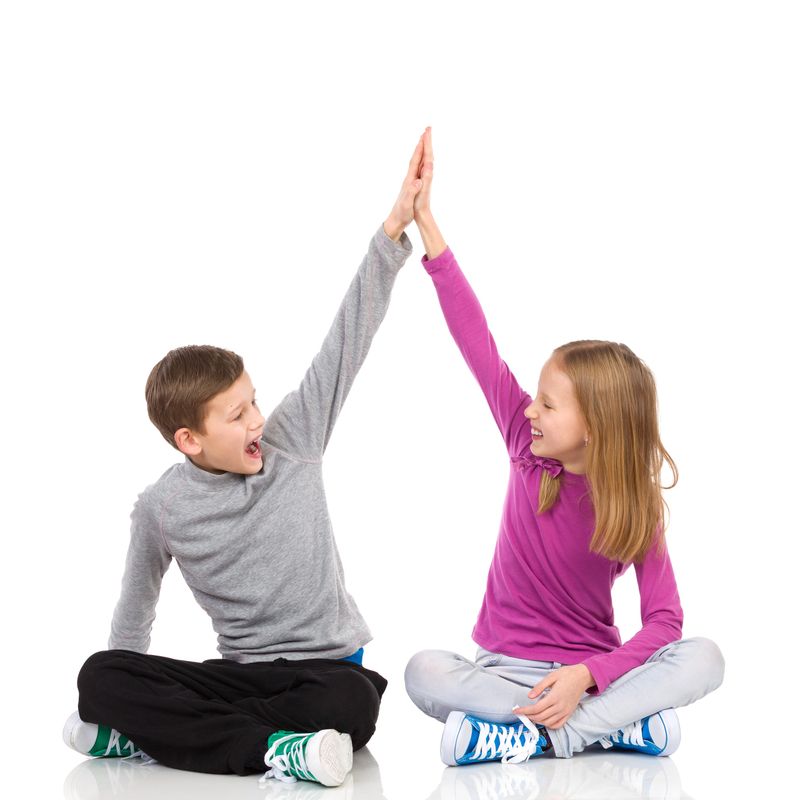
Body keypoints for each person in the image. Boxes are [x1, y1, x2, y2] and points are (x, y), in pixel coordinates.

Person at [62, 133, 429, 787]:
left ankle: (173, 740)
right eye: (237, 415)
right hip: (240, 677)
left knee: (349, 704)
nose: (258, 420)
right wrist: (121, 688)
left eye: (252, 401)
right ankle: (276, 751)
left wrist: (394, 228)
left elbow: (346, 338)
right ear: (189, 441)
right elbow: (134, 611)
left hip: (326, 676)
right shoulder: (163, 507)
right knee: (99, 677)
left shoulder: (295, 438)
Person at [404, 128, 725, 766]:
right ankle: (606, 729)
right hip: (504, 674)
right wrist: (427, 226)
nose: (530, 409)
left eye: (549, 404)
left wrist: (589, 676)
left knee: (706, 658)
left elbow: (665, 624)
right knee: (424, 671)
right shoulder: (528, 447)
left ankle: (550, 733)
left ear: (597, 428)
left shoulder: (636, 505)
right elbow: (477, 340)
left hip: (590, 675)